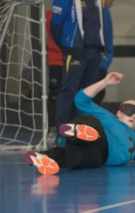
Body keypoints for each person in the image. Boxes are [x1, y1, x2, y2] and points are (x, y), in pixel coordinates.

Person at [25, 72, 135, 175]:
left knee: (75, 158)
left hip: (99, 156)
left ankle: (42, 157)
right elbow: (81, 100)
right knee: (93, 124)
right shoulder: (110, 118)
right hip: (99, 136)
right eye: (129, 109)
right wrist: (105, 82)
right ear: (118, 113)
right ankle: (76, 130)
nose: (133, 115)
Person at [50, 0, 112, 146]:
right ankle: (62, 133)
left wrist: (104, 51)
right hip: (75, 53)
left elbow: (105, 26)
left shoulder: (99, 1)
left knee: (87, 94)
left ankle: (81, 132)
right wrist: (68, 46)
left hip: (95, 52)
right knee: (68, 90)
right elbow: (55, 26)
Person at [94, 0, 115, 105]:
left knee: (98, 94)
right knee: (94, 95)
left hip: (99, 61)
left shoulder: (103, 10)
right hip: (95, 60)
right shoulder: (99, 9)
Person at [45, 9, 63, 134]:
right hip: (56, 60)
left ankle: (65, 124)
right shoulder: (49, 15)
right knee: (54, 94)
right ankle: (52, 125)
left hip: (72, 60)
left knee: (70, 93)